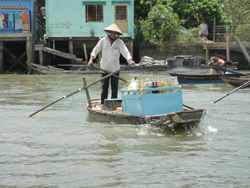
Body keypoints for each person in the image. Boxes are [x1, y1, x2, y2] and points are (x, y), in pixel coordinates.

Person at [87, 23, 135, 104]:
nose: (112, 34)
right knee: (104, 89)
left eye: (114, 32)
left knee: (114, 89)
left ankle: (113, 104)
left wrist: (130, 60)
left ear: (117, 33)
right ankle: (103, 104)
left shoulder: (120, 42)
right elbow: (95, 50)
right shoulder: (103, 41)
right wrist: (91, 60)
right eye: (111, 32)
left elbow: (125, 52)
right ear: (108, 32)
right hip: (104, 69)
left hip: (115, 70)